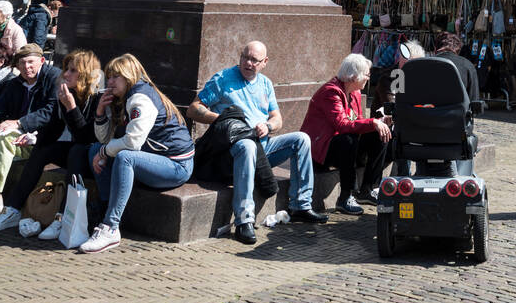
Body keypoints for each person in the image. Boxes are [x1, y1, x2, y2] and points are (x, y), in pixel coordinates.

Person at [189, 40, 327, 244]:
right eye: (245, 57)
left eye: (254, 60)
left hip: (263, 146)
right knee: (247, 146)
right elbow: (193, 109)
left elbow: (277, 119)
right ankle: (244, 220)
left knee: (301, 139)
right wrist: (221, 119)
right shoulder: (223, 79)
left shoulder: (265, 84)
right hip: (233, 149)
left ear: (265, 62)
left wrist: (268, 126)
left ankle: (301, 205)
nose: (248, 63)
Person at [80, 54, 195, 255]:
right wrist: (100, 112)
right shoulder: (122, 97)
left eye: (116, 76)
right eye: (109, 76)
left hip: (176, 166)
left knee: (126, 157)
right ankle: (106, 208)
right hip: (152, 158)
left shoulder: (140, 98)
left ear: (129, 76)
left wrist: (105, 152)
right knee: (93, 151)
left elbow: (132, 143)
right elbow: (104, 140)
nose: (110, 81)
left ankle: (111, 227)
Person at [0, 50, 102, 237]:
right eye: (66, 70)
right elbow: (53, 129)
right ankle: (13, 209)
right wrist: (34, 138)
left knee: (77, 151)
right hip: (79, 150)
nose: (66, 75)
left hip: (97, 158)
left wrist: (71, 107)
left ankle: (62, 218)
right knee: (43, 149)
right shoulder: (66, 93)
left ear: (85, 74)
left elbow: (86, 138)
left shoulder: (97, 97)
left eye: (72, 71)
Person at [0, 45, 62, 219]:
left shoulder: (54, 77)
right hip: (18, 132)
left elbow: (50, 111)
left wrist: (19, 122)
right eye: (22, 63)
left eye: (31, 62)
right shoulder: (15, 83)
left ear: (42, 60)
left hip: (40, 138)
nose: (27, 67)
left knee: (5, 137)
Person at [301, 55, 392, 214]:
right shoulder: (331, 92)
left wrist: (379, 122)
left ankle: (367, 189)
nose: (369, 77)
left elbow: (357, 122)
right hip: (321, 150)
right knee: (348, 140)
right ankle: (345, 197)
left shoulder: (354, 91)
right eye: (366, 74)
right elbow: (342, 125)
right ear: (354, 76)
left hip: (341, 146)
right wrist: (372, 123)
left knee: (380, 133)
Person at [433, 31, 480, 107]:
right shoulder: (467, 65)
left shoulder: (424, 64)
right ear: (458, 48)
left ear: (436, 47)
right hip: (457, 115)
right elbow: (474, 101)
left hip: (427, 115)